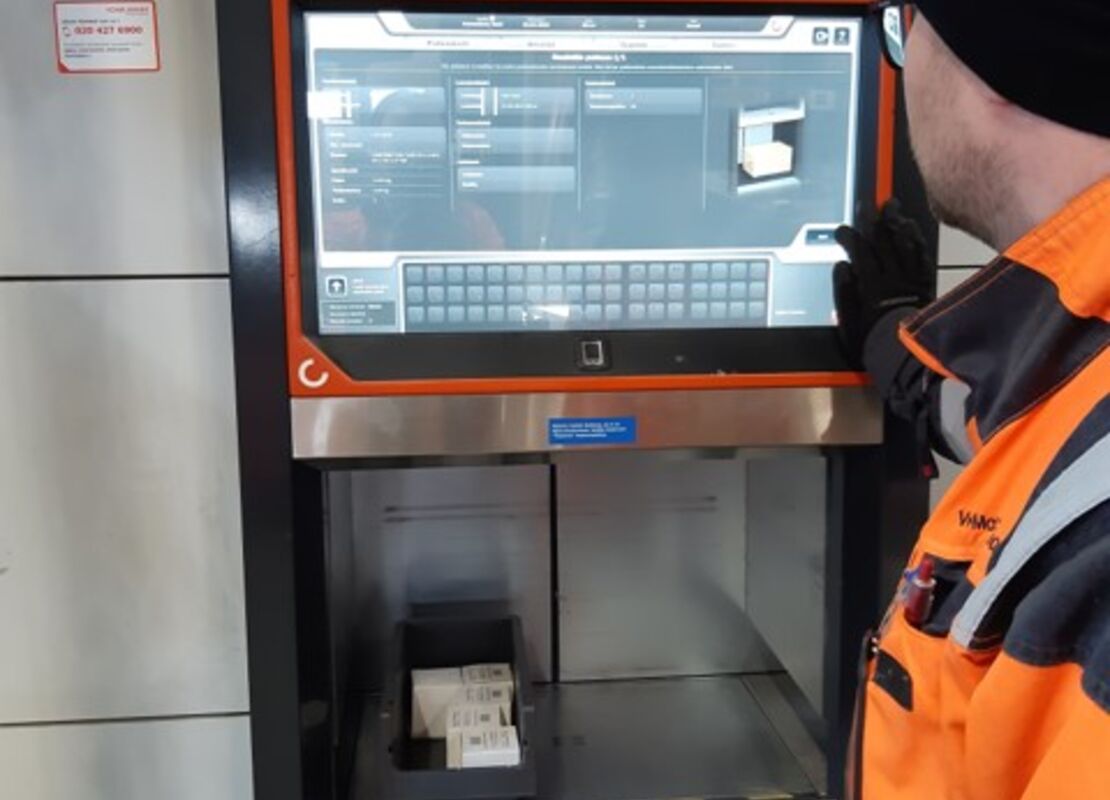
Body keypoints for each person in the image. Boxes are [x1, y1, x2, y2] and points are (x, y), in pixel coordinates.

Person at [832, 2, 1110, 798]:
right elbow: (1031, 441)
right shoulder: (1079, 363)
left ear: (995, 66)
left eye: (904, 25)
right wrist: (892, 344)